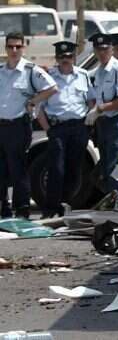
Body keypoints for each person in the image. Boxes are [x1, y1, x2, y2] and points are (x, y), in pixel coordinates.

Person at [0, 32, 57, 218]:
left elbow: (52, 88)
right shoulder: (1, 71)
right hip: (1, 125)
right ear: (6, 48)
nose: (14, 50)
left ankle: (22, 209)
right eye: (10, 47)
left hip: (18, 125)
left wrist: (34, 101)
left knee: (17, 168)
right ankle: (4, 208)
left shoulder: (30, 70)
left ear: (24, 48)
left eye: (18, 46)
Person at [36, 41, 93, 218]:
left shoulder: (84, 75)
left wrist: (89, 123)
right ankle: (50, 209)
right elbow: (39, 106)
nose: (65, 60)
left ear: (74, 57)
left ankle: (64, 206)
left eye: (68, 56)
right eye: (62, 57)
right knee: (56, 169)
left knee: (74, 170)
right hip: (57, 128)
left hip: (79, 127)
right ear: (57, 58)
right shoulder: (49, 78)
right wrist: (48, 129)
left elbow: (91, 101)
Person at [87, 33, 118, 197]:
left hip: (117, 123)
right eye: (99, 50)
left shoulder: (117, 69)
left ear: (111, 49)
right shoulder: (98, 71)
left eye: (105, 49)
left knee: (114, 169)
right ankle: (114, 204)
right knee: (105, 169)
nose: (102, 53)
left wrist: (100, 109)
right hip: (103, 124)